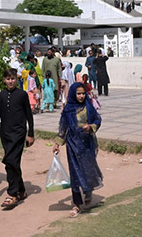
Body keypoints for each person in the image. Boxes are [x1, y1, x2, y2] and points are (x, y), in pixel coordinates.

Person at [52, 82, 103, 217]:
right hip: (72, 145)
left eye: (82, 93)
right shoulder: (68, 109)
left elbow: (98, 120)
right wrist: (57, 143)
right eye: (78, 93)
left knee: (87, 170)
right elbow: (63, 127)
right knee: (74, 173)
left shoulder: (88, 107)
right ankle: (76, 204)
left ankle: (88, 190)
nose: (81, 96)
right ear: (74, 94)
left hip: (87, 145)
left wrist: (91, 126)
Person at [0, 68, 35, 209]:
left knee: (11, 161)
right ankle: (21, 190)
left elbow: (29, 115)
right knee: (12, 163)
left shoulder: (22, 95)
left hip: (18, 134)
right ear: (4, 80)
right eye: (8, 79)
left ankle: (13, 194)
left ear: (17, 79)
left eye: (13, 78)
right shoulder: (2, 95)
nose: (10, 81)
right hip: (5, 134)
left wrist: (31, 134)